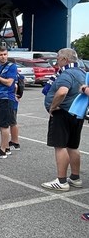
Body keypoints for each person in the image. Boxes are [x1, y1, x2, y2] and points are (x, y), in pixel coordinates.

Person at [41, 47, 86, 191]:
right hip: (76, 113)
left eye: (58, 59)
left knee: (60, 146)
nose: (57, 62)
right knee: (73, 147)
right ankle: (75, 177)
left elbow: (62, 92)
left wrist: (53, 106)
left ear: (65, 59)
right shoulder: (82, 73)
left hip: (63, 114)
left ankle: (61, 181)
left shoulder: (67, 74)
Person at [0, 48, 18, 159]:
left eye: (5, 54)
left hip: (7, 98)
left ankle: (3, 150)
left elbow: (9, 82)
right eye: (1, 54)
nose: (3, 56)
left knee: (5, 125)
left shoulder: (12, 67)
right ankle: (5, 146)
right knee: (1, 124)